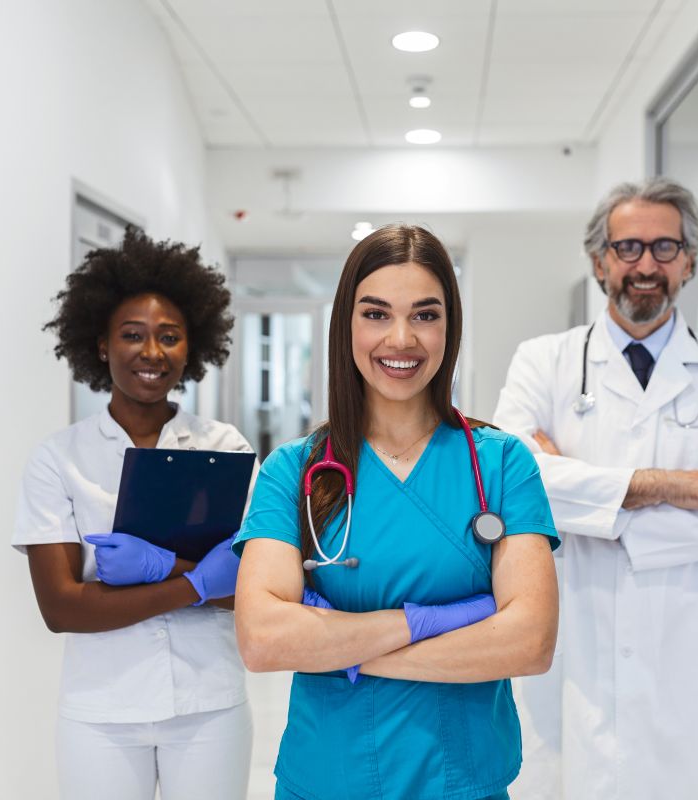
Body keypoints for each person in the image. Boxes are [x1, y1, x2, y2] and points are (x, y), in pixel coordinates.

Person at [233, 224, 560, 800]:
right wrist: (432, 622)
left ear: (450, 328)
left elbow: (530, 642)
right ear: (347, 326)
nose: (402, 338)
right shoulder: (293, 471)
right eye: (377, 314)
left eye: (426, 315)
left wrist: (344, 651)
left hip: (462, 781)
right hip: (328, 778)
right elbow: (263, 640)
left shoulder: (504, 465)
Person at [493, 178, 698, 800]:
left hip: (690, 646)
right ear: (599, 261)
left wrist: (582, 500)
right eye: (627, 248)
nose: (646, 264)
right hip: (576, 635)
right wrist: (667, 485)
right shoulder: (543, 361)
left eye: (665, 247)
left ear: (691, 260)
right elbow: (514, 482)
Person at [12, 228, 254, 800]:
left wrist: (167, 570)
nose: (152, 352)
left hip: (209, 704)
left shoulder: (227, 448)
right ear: (101, 344)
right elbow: (62, 607)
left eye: (169, 337)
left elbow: (252, 587)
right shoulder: (58, 458)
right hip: (101, 712)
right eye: (132, 335)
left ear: (191, 348)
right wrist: (193, 579)